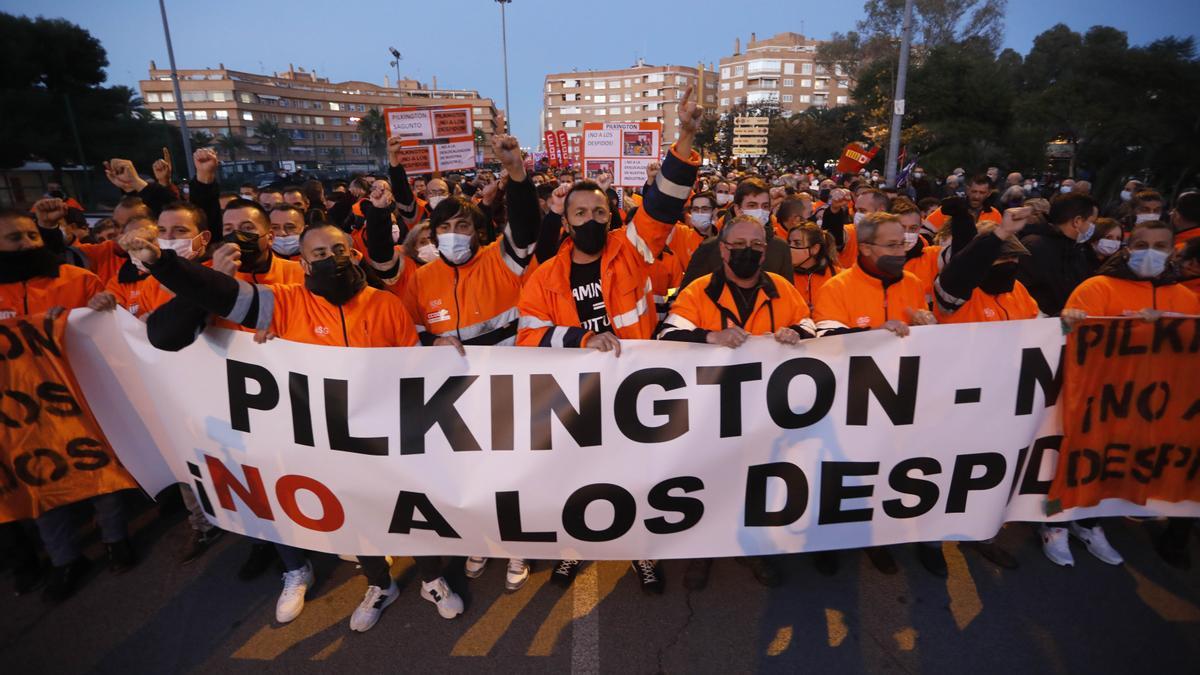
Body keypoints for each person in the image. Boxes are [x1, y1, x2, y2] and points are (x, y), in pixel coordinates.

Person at [125, 222, 463, 629]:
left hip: (383, 436)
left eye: (338, 250)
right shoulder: (281, 303)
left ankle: (431, 577)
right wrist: (162, 262)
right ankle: (379, 583)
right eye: (319, 254)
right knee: (352, 515)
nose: (331, 259)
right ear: (303, 264)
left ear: (354, 254)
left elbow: (410, 370)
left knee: (406, 509)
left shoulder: (386, 304)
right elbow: (218, 294)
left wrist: (436, 350)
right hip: (321, 443)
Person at [517, 85, 703, 595]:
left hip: (637, 393)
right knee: (578, 479)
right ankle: (576, 549)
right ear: (566, 221)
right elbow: (528, 336)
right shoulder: (543, 277)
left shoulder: (633, 249)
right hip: (574, 402)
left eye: (600, 213)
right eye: (581, 214)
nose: (592, 221)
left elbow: (664, 202)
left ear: (611, 214)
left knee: (638, 477)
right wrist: (580, 339)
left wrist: (685, 135)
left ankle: (640, 551)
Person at [366, 117, 535, 591]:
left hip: (508, 394)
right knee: (471, 476)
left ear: (478, 232)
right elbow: (406, 324)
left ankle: (519, 546)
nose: (455, 233)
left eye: (464, 225)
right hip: (453, 400)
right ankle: (483, 541)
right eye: (446, 227)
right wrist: (379, 214)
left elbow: (524, 224)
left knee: (510, 473)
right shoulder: (422, 279)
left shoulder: (505, 261)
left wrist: (516, 171)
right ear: (434, 234)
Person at [657, 215, 816, 589]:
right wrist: (710, 337)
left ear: (765, 252)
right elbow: (666, 334)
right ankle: (702, 550)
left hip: (764, 415)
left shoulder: (781, 288)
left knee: (756, 482)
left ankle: (753, 547)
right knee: (708, 479)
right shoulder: (698, 291)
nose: (749, 251)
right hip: (710, 412)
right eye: (740, 244)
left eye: (757, 245)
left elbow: (810, 324)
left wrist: (795, 333)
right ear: (724, 249)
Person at [0, 208, 136, 602]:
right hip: (18, 415)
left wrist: (104, 307)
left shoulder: (77, 280)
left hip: (79, 399)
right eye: (14, 238)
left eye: (32, 236)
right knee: (39, 481)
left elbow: (112, 330)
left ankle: (116, 539)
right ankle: (66, 559)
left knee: (100, 473)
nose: (27, 244)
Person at [1053, 219, 1200, 568]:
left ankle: (1090, 524)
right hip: (1096, 400)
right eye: (1141, 244)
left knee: (1112, 469)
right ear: (1128, 248)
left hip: (1147, 406)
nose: (1151, 252)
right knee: (1075, 460)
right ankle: (1055, 524)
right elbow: (1060, 339)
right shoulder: (1096, 288)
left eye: (1161, 246)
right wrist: (1069, 321)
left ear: (1172, 252)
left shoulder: (1184, 300)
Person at [811, 210, 939, 575]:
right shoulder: (837, 288)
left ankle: (873, 540)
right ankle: (826, 542)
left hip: (897, 401)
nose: (902, 250)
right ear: (865, 248)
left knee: (882, 475)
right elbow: (827, 342)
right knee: (837, 477)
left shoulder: (913, 283)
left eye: (903, 242)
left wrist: (928, 328)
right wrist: (878, 335)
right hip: (846, 404)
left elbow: (922, 340)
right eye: (892, 244)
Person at [679, 178, 790, 290]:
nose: (760, 212)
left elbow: (787, 295)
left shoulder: (780, 248)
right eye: (752, 205)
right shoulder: (710, 248)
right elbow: (688, 294)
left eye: (765, 206)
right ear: (738, 209)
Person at [1017, 192, 1098, 316]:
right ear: (1077, 221)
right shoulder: (1034, 247)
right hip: (1041, 327)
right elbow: (1020, 294)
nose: (1093, 227)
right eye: (1091, 222)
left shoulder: (1080, 248)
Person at [787, 222, 839, 310]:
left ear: (815, 249)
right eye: (789, 242)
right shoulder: (784, 276)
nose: (790, 247)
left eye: (797, 243)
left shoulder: (837, 276)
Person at [925, 174, 1002, 231]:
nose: (976, 196)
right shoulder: (952, 208)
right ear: (967, 190)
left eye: (982, 193)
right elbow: (926, 228)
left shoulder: (995, 214)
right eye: (974, 191)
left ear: (989, 193)